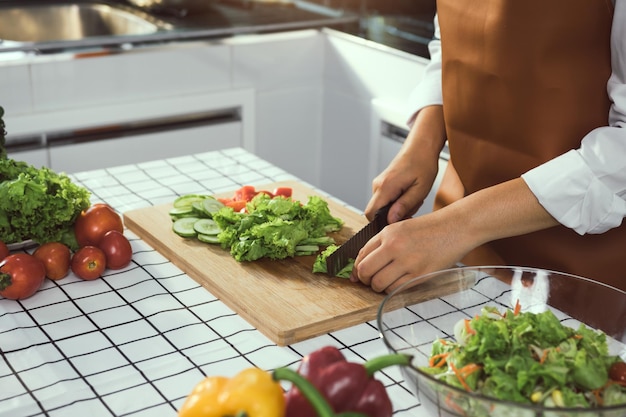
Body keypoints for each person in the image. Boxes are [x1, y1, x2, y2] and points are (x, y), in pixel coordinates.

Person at [350, 0, 626, 294]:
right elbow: (453, 42)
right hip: (458, 242)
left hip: (576, 268)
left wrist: (459, 225)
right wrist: (422, 144)